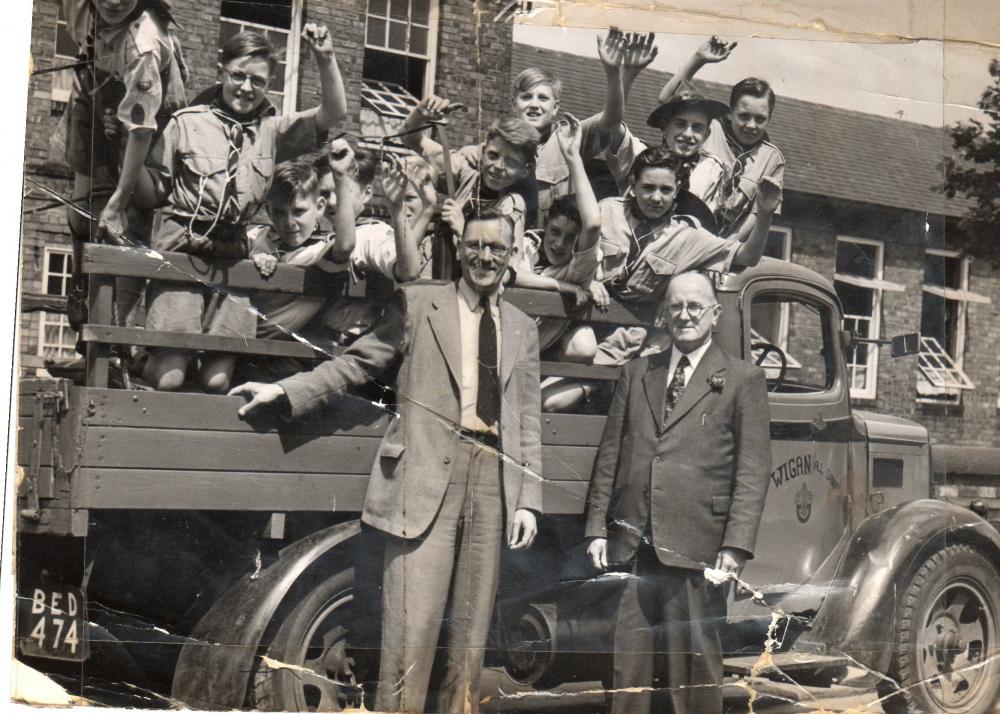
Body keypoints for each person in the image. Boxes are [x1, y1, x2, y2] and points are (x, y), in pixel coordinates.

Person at [229, 207, 543, 714]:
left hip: (491, 485)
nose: (485, 257)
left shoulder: (522, 327)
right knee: (409, 637)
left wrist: (528, 500)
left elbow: (527, 418)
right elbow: (359, 361)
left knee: (468, 641)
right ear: (460, 248)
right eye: (477, 246)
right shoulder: (420, 304)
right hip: (422, 476)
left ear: (511, 258)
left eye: (497, 250)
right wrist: (286, 390)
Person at [584, 271, 772, 714]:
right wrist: (596, 528)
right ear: (664, 315)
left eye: (694, 307)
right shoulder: (637, 373)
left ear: (714, 314)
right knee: (626, 672)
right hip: (632, 543)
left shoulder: (743, 379)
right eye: (676, 307)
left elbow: (752, 469)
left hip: (698, 548)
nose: (684, 315)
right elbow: (610, 455)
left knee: (692, 672)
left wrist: (735, 545)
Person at [137, 25, 347, 393]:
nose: (247, 88)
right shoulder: (186, 124)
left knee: (217, 381)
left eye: (258, 81)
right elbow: (153, 191)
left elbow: (333, 113)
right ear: (222, 71)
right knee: (170, 378)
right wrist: (131, 144)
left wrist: (325, 57)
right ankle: (139, 361)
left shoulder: (272, 131)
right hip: (182, 251)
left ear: (270, 83)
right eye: (238, 76)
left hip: (235, 258)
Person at [60, 0, 188, 330]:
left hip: (149, 116)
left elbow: (141, 130)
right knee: (81, 208)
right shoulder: (79, 7)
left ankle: (117, 338)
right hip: (94, 82)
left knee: (126, 217)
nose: (115, 2)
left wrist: (117, 202)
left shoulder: (143, 42)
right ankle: (79, 283)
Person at [658, 36, 786, 241]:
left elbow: (757, 214)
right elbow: (666, 100)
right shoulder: (711, 127)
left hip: (720, 241)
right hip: (673, 226)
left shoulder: (772, 159)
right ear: (730, 112)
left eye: (760, 119)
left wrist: (724, 249)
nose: (751, 125)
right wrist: (698, 59)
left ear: (769, 118)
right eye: (744, 116)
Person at [400, 98, 540, 276]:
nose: (498, 166)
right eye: (493, 155)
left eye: (511, 162)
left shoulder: (514, 206)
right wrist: (421, 114)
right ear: (482, 152)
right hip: (436, 277)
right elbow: (409, 136)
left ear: (524, 170)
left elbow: (506, 273)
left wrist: (462, 229)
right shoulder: (466, 175)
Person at [514, 114, 601, 362]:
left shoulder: (577, 268)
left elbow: (593, 223)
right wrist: (563, 287)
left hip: (530, 356)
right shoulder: (524, 245)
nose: (559, 244)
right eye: (554, 232)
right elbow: (510, 275)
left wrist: (573, 158)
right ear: (545, 225)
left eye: (571, 237)